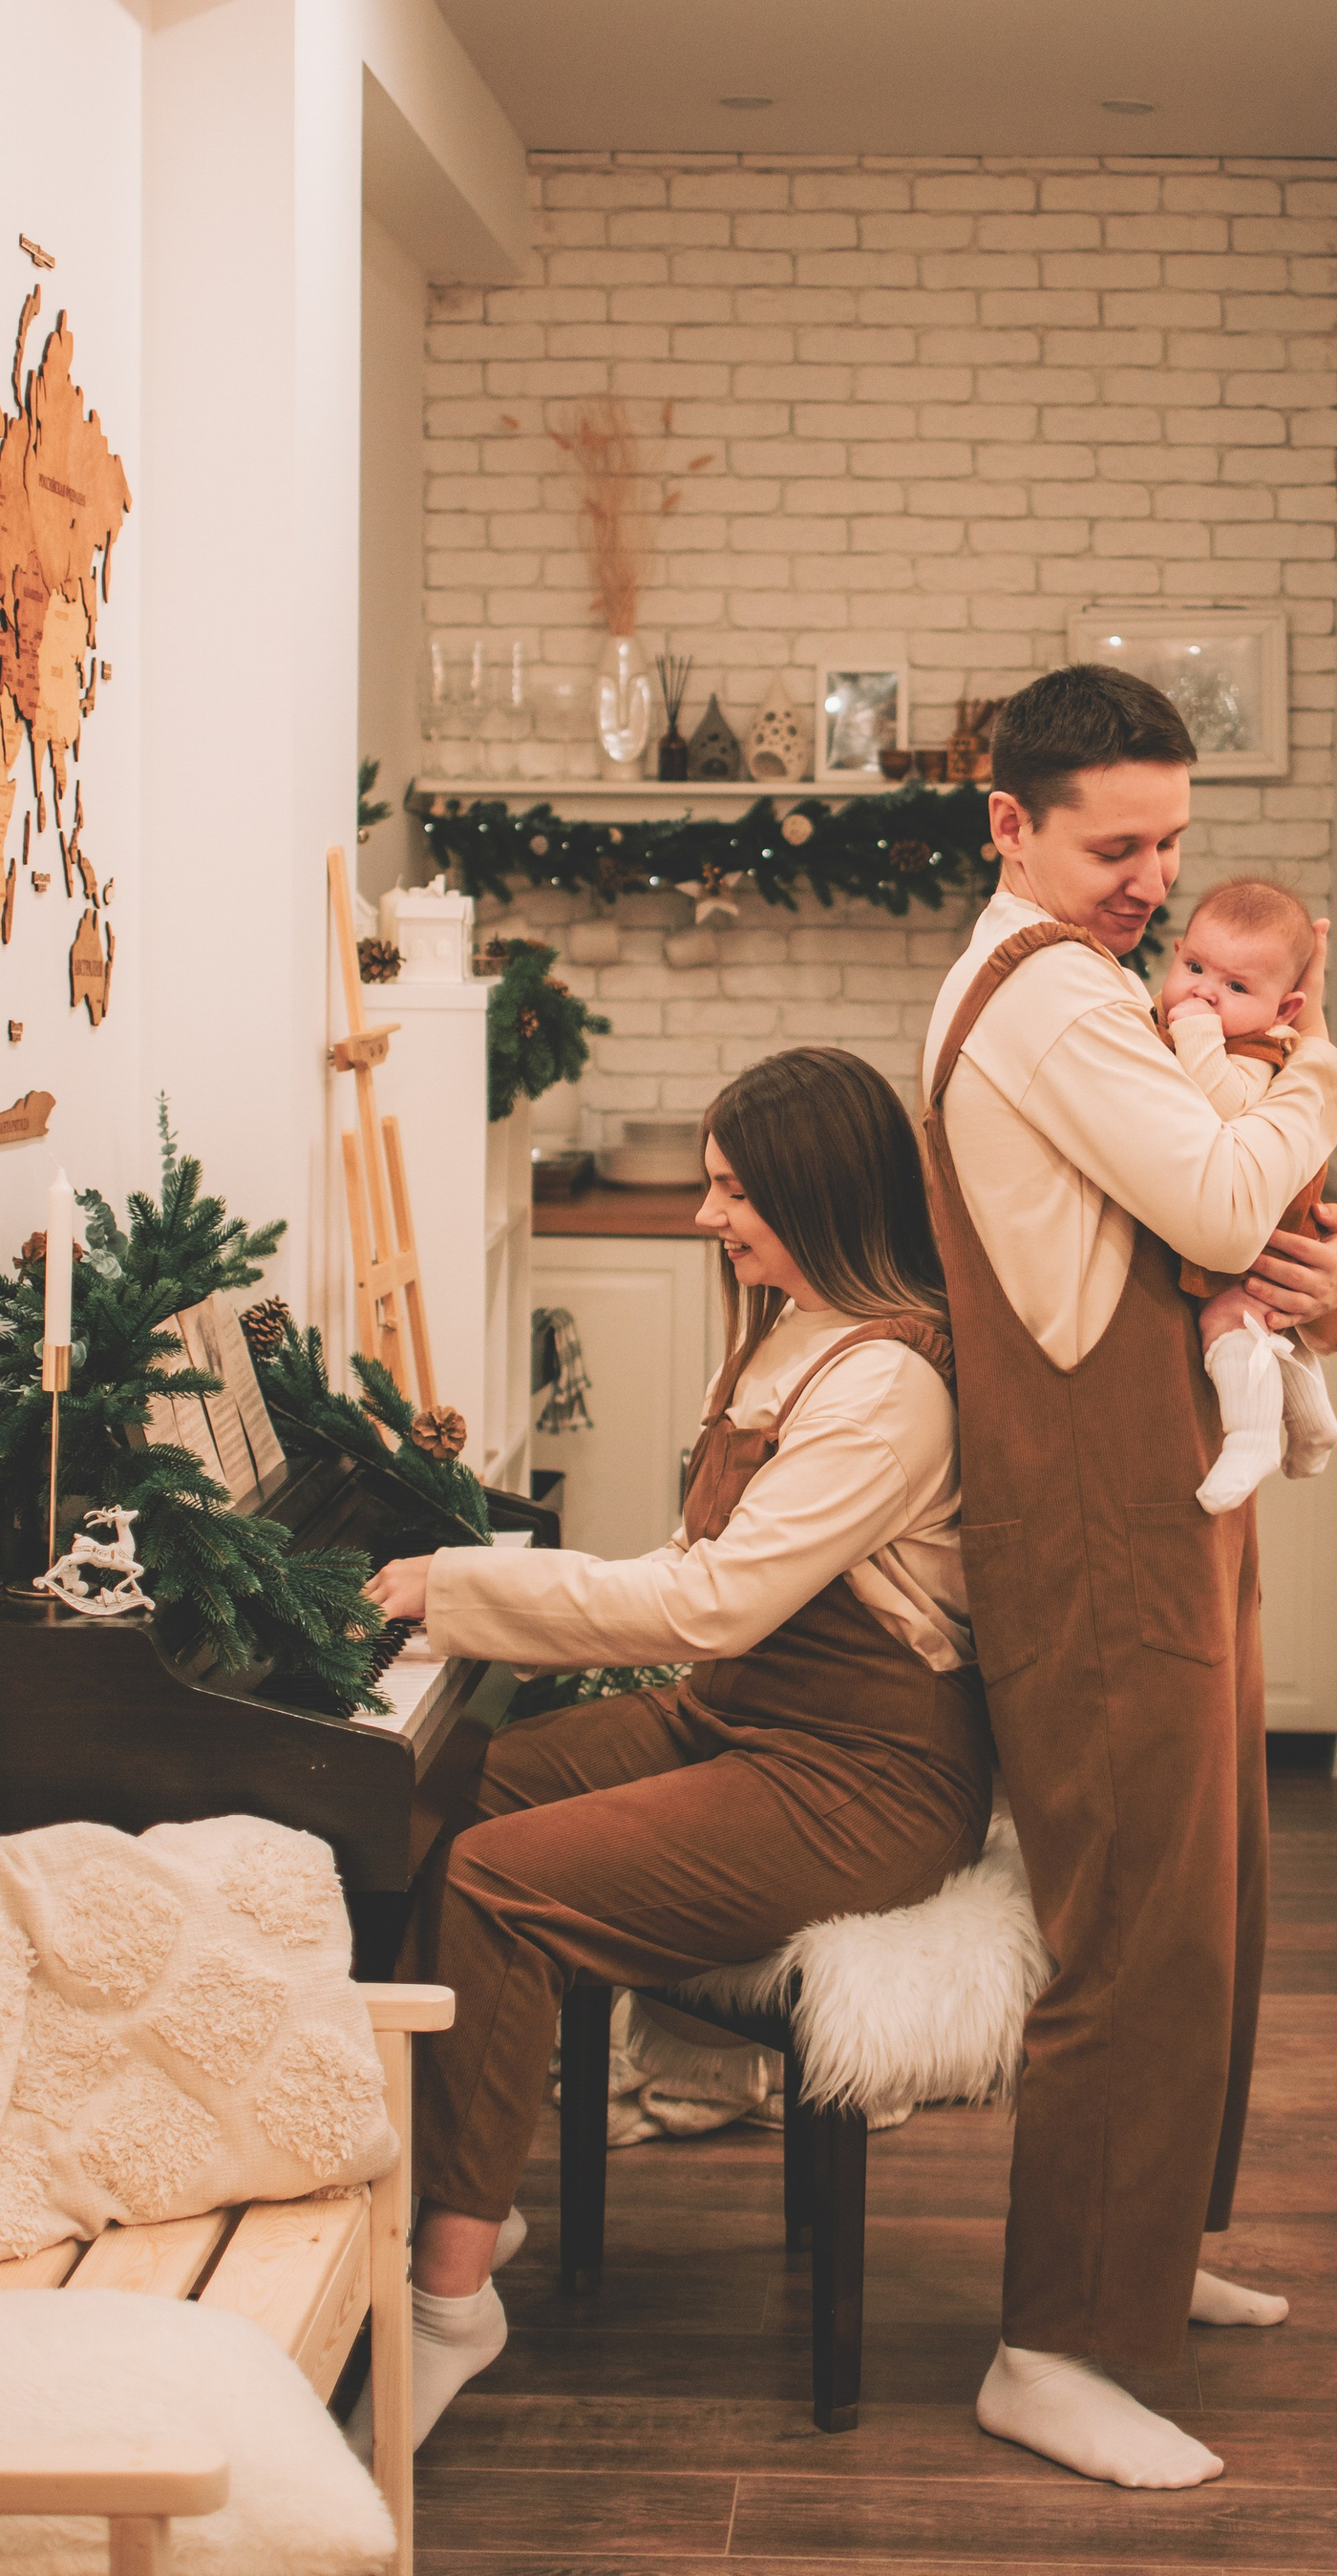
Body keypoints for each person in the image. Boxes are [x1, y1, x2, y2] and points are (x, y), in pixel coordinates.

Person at [356, 1047, 994, 2450]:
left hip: (864, 1779)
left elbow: (708, 1605)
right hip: (740, 1720)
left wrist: (454, 1587)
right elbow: (695, 1580)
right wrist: (470, 1595)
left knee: (497, 1881)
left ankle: (450, 2300)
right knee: (443, 1794)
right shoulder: (787, 1332)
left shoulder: (889, 1388)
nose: (709, 1216)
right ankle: (454, 2188)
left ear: (819, 1197)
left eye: (734, 1192)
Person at [920, 663, 1337, 2491]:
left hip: (1162, 1496)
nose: (1155, 882)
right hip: (1098, 1524)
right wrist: (1318, 1070)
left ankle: (1147, 2256)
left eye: (1173, 843)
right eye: (1119, 847)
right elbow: (1224, 1203)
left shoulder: (1098, 990)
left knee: (1212, 1903)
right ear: (1010, 824)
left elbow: (1215, 1239)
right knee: (1135, 1931)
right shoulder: (1050, 997)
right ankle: (1054, 2345)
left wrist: (1312, 1287)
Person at [1155, 876, 1337, 1510]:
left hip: (1269, 1225)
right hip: (1266, 1225)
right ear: (1176, 952)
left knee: (1227, 1319)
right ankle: (1312, 1421)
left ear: (1284, 1010)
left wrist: (1196, 1035)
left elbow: (1229, 1108)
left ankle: (1252, 1438)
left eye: (1236, 987)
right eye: (1194, 967)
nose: (1206, 992)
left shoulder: (1257, 1047)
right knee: (1259, 1323)